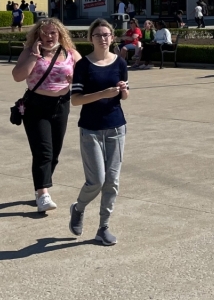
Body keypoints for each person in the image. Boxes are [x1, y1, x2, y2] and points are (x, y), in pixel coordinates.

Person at [68, 18, 128, 246]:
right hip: (91, 129)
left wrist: (122, 91)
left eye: (106, 35)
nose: (102, 39)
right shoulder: (83, 65)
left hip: (116, 127)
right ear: (90, 38)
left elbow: (125, 95)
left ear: (112, 37)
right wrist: (103, 93)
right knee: (96, 181)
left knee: (112, 181)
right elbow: (75, 100)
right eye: (97, 35)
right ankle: (79, 207)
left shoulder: (120, 63)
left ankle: (103, 227)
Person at [11, 18, 81, 212]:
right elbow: (18, 76)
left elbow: (86, 76)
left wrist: (75, 79)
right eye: (45, 33)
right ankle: (43, 193)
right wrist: (34, 55)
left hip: (61, 105)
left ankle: (40, 186)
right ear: (38, 35)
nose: (49, 37)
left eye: (53, 33)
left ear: (60, 34)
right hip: (36, 106)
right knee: (43, 152)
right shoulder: (29, 53)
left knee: (55, 154)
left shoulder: (70, 53)